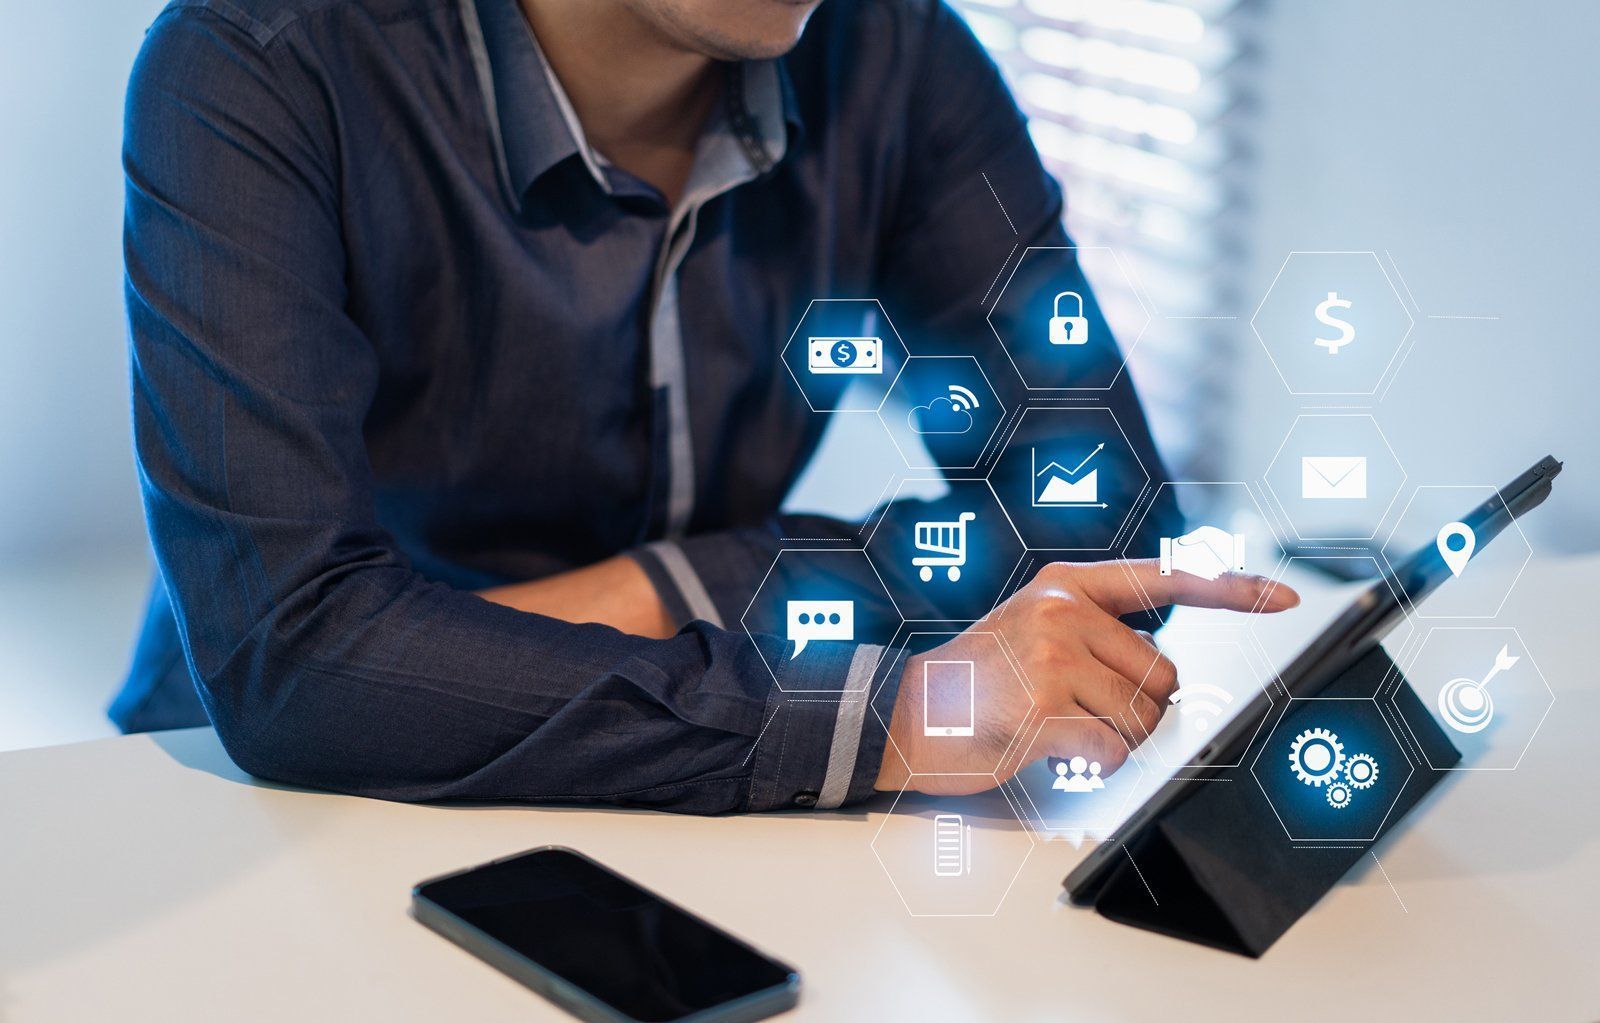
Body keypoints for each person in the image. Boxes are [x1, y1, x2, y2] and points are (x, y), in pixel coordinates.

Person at [111, 0, 1299, 813]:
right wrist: (888, 714)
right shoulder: (258, 61)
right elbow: (298, 670)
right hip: (247, 793)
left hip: (673, 791)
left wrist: (666, 589)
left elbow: (1104, 521)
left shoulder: (896, 54)